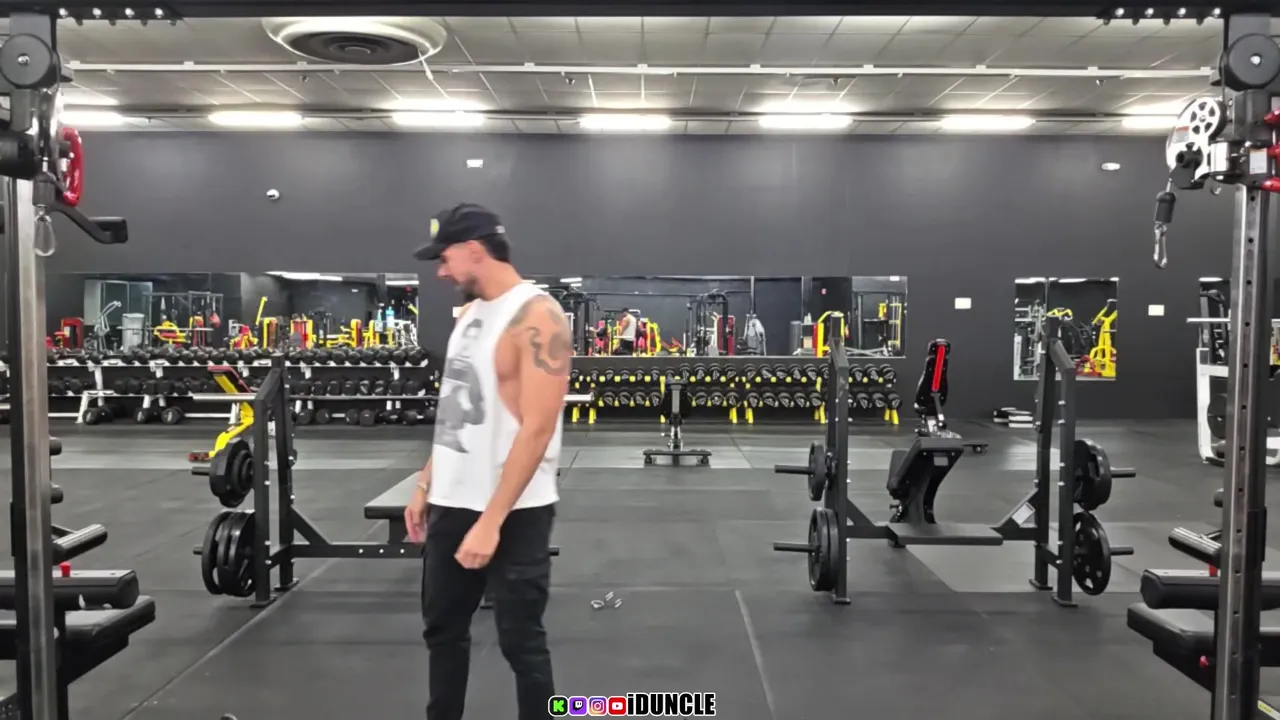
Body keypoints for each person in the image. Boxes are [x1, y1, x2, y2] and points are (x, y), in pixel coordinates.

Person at [406, 203, 571, 720]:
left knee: (522, 643)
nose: (441, 271)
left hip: (514, 512)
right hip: (452, 502)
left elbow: (538, 429)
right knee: (442, 632)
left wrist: (491, 521)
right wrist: (426, 483)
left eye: (445, 258)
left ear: (474, 250)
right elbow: (454, 409)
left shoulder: (538, 317)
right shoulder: (470, 315)